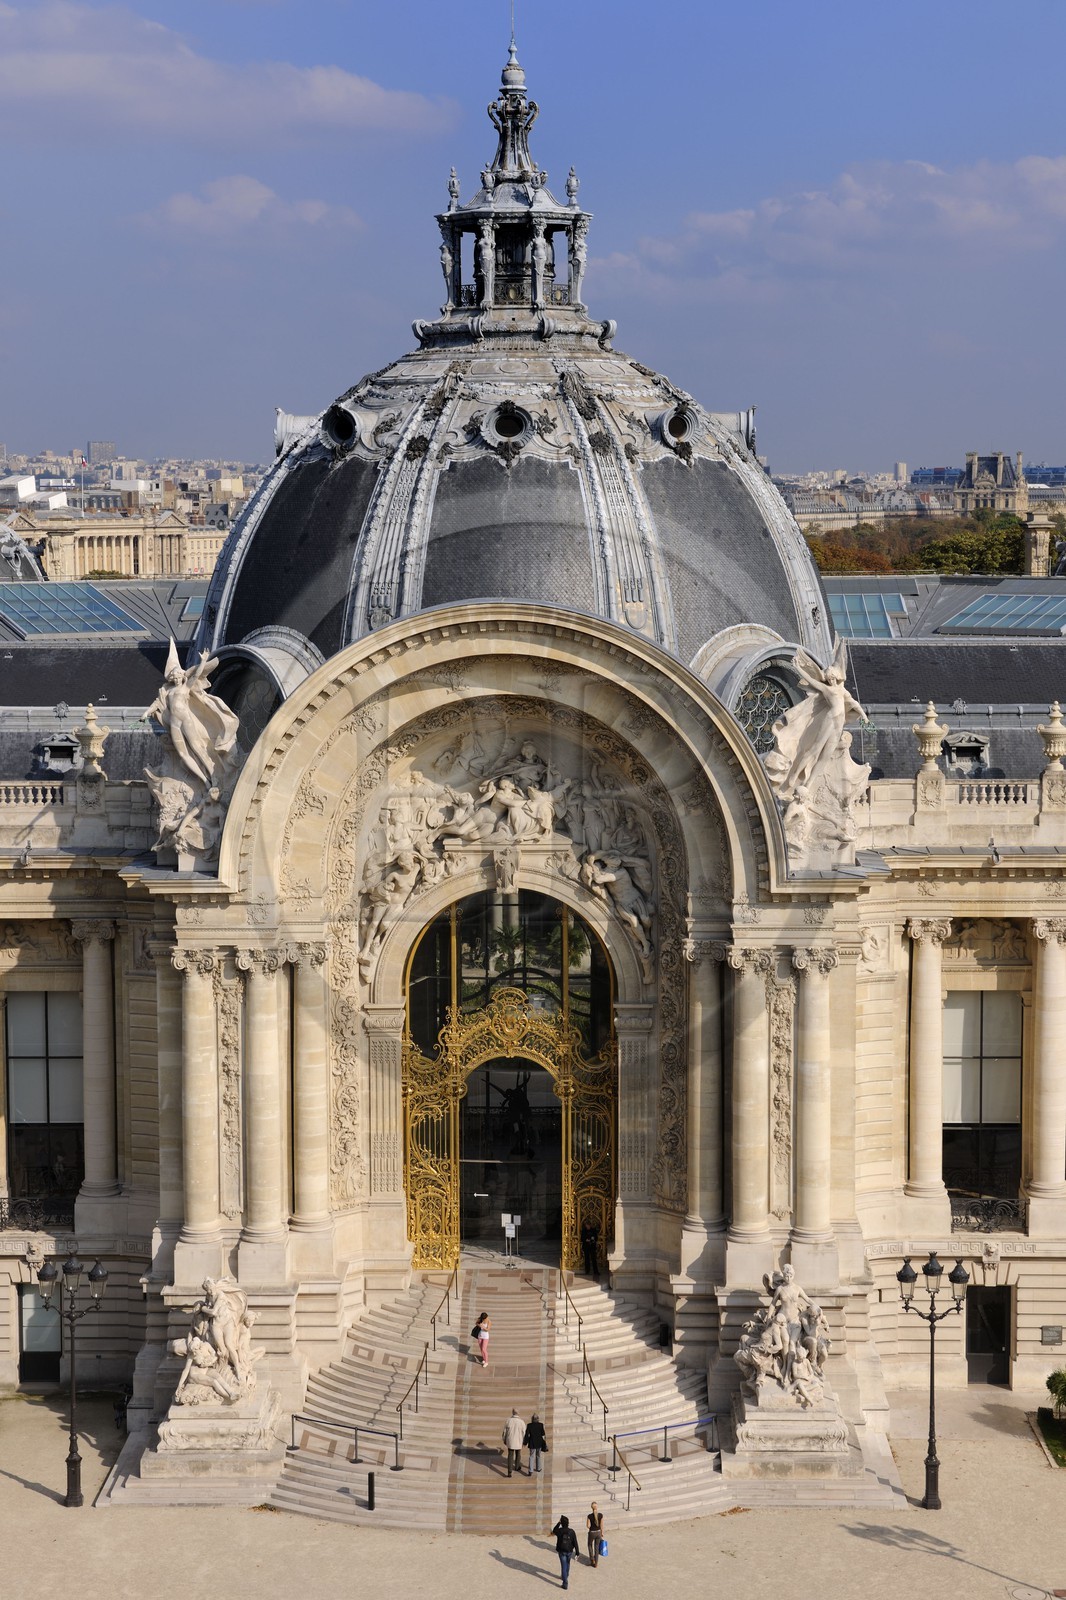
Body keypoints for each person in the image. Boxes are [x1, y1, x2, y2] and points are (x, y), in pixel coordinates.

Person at [551, 1515, 579, 1589]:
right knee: (568, 1563)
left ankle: (565, 1583)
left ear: (562, 1523)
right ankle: (566, 1575)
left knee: (563, 1566)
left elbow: (554, 1530)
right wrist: (577, 1552)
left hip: (561, 1550)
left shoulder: (559, 1531)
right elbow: (575, 1542)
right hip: (569, 1550)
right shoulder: (572, 1531)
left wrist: (558, 1523)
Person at [503, 1408, 526, 1477]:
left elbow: (504, 1432)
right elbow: (524, 1432)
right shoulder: (521, 1422)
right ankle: (517, 1466)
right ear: (518, 1413)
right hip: (519, 1440)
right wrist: (525, 1441)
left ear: (512, 1413)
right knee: (518, 1454)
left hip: (510, 1440)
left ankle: (509, 1471)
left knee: (510, 1455)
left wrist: (504, 1439)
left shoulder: (508, 1421)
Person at [586, 1501, 605, 1567]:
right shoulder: (601, 1515)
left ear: (591, 1508)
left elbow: (588, 1526)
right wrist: (602, 1532)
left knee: (589, 1545)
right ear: (597, 1507)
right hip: (599, 1532)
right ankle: (596, 1563)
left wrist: (591, 1528)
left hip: (592, 1532)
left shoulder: (589, 1516)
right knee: (596, 1547)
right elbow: (602, 1525)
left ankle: (592, 1559)